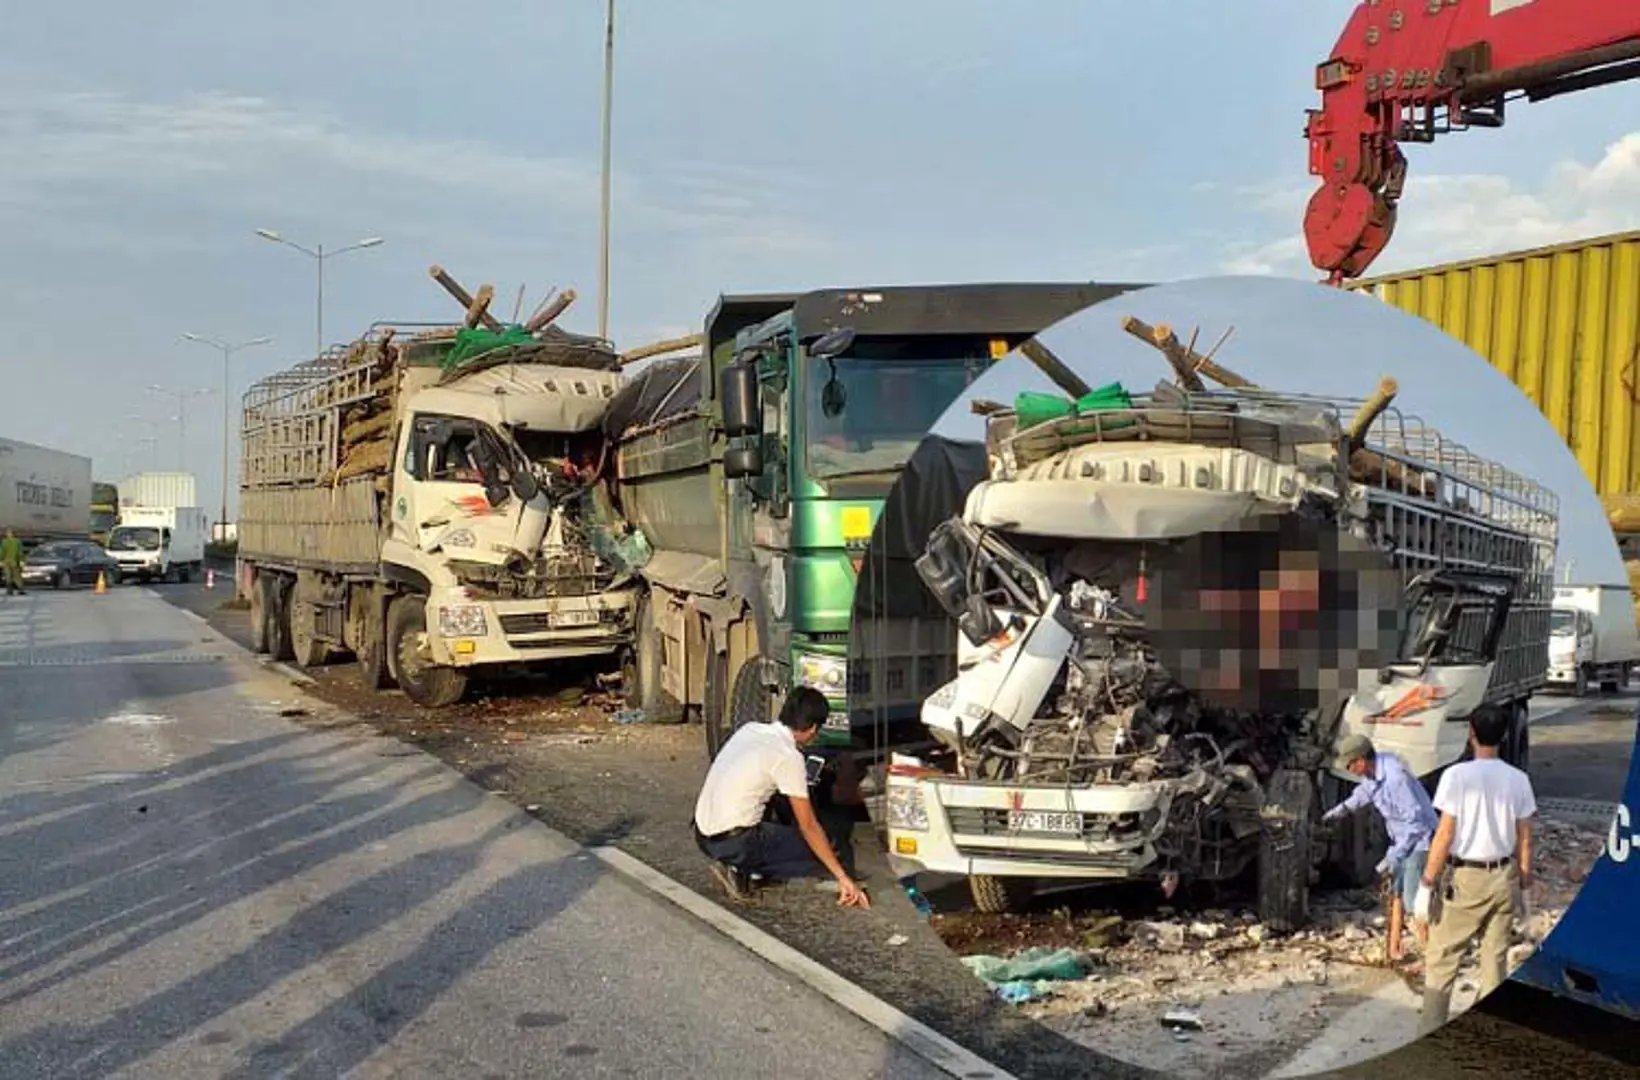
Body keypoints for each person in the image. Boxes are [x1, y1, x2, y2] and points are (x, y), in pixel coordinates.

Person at [1413, 709, 1537, 1037]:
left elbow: (1445, 833)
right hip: (1504, 877)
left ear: (1471, 733)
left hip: (1465, 879)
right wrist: (1525, 891)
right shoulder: (1519, 780)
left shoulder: (1457, 776)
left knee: (1443, 960)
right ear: (1506, 736)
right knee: (1494, 962)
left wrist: (1426, 882)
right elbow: (1525, 840)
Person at [692, 686, 870, 909]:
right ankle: (742, 868)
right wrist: (843, 877)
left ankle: (744, 866)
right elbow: (809, 826)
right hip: (735, 844)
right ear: (813, 728)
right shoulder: (788, 757)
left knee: (770, 798)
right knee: (826, 847)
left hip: (703, 835)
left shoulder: (751, 730)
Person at [1321, 733, 1438, 966]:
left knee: (1414, 901)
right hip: (1401, 839)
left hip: (1419, 840)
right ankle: (1394, 949)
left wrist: (1392, 857)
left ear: (1363, 759)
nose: (1349, 768)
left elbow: (1415, 824)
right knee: (1395, 894)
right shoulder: (1374, 773)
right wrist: (1337, 813)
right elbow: (1363, 794)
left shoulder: (1395, 778)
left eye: (1351, 763)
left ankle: (1432, 954)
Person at [1, 528, 23, 596]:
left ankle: (16, 589)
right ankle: (14, 590)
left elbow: (19, 552)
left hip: (10, 561)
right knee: (11, 576)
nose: (8, 534)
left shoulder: (14, 542)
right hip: (9, 561)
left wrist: (21, 560)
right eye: (8, 533)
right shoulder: (6, 542)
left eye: (9, 533)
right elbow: (1, 552)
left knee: (13, 576)